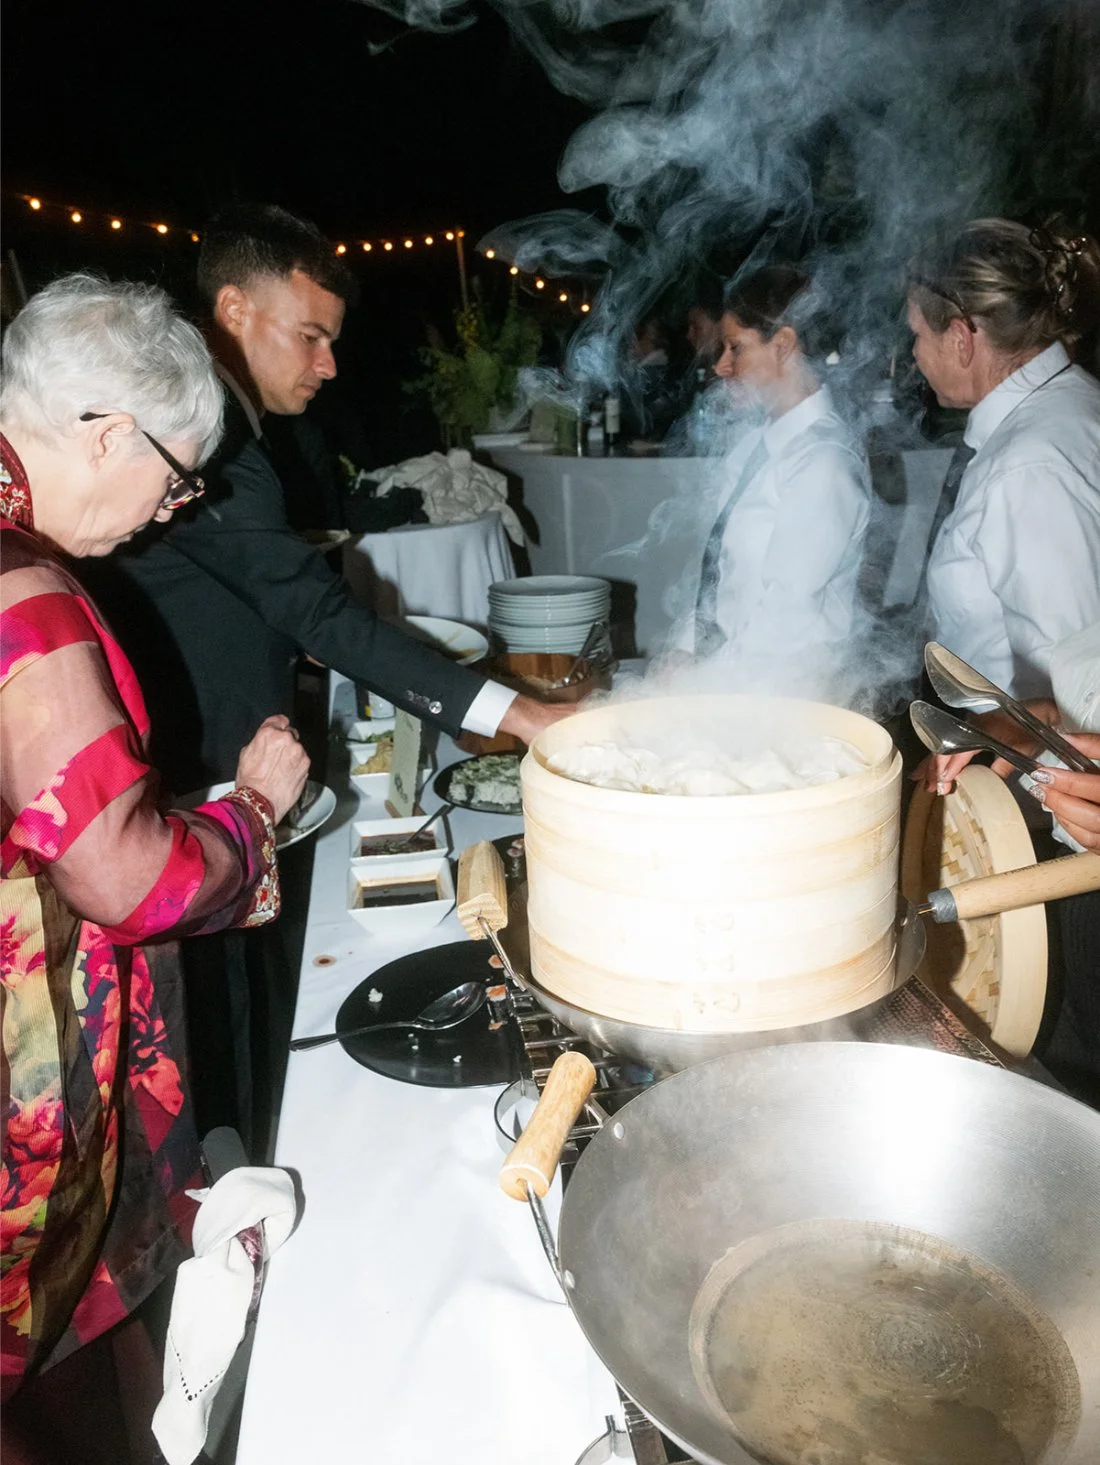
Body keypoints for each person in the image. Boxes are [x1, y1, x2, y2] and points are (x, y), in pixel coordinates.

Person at [0, 277, 309, 1411]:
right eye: (175, 478)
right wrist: (253, 814)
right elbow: (126, 877)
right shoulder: (21, 591)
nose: (173, 510)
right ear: (109, 433)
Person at [84, 202, 565, 795]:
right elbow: (312, 610)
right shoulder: (210, 440)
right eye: (310, 336)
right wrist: (525, 715)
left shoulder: (230, 426)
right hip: (193, 764)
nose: (329, 365)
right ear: (235, 310)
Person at [907, 219, 1100, 700]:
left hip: (1025, 767)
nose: (914, 355)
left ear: (960, 338)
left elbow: (1079, 694)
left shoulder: (1026, 470)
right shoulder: (1072, 402)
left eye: (916, 334)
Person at [673, 265, 871, 693]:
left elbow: (785, 617)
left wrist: (699, 686)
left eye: (735, 348)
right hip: (735, 677)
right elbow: (720, 571)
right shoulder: (754, 445)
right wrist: (683, 651)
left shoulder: (823, 462)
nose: (722, 366)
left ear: (782, 345)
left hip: (792, 693)